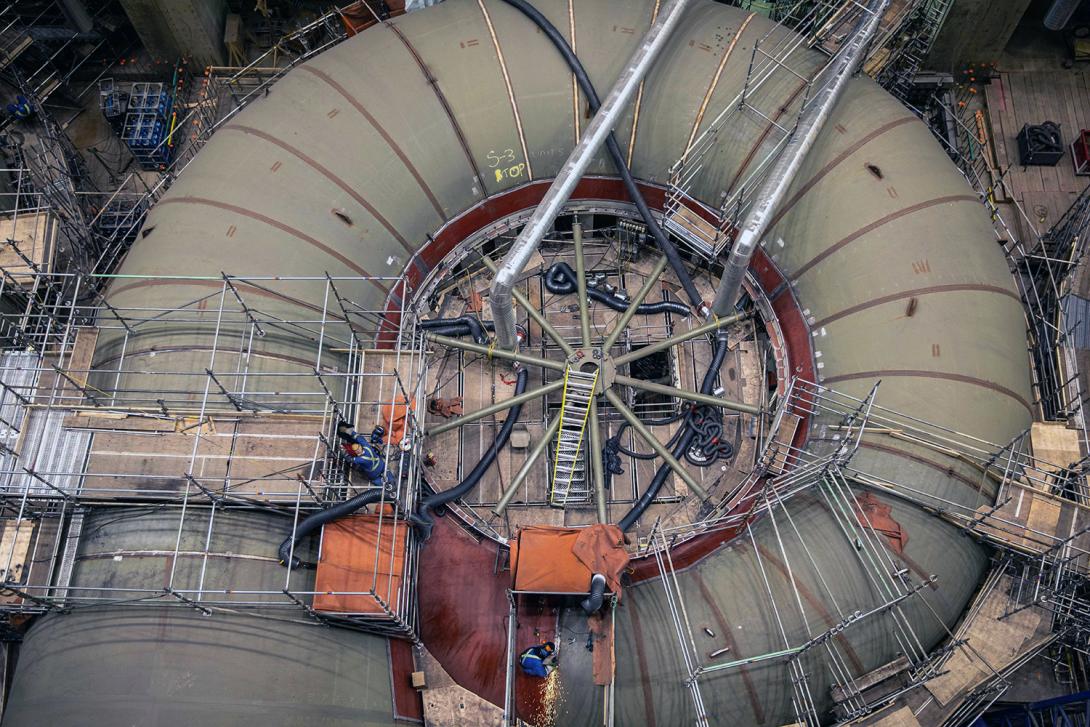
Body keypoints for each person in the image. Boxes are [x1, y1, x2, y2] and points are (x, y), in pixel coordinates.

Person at [336, 421, 388, 485]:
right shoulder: (366, 446)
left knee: (358, 468)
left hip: (374, 474)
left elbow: (349, 459)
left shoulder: (361, 459)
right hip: (382, 465)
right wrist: (347, 430)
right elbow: (358, 437)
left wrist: (342, 450)